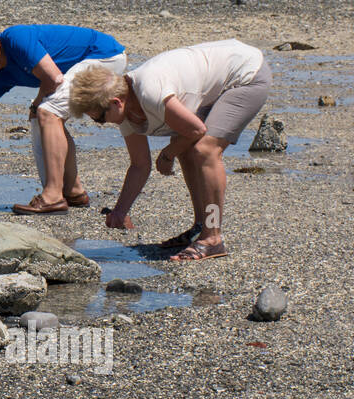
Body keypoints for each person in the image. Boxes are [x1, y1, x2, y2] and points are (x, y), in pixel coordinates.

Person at [68, 39, 271, 261]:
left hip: (246, 75)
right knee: (184, 147)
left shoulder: (150, 92)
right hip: (218, 77)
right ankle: (201, 226)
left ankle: (212, 238)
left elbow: (196, 130)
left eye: (98, 118)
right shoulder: (126, 112)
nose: (101, 123)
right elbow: (139, 165)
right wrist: (120, 211)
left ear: (116, 102)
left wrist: (167, 154)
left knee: (205, 150)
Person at [0, 26, 127, 214]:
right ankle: (73, 191)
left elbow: (53, 78)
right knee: (40, 117)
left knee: (46, 112)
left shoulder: (15, 39)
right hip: (79, 67)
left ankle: (53, 196)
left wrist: (36, 104)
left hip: (104, 57)